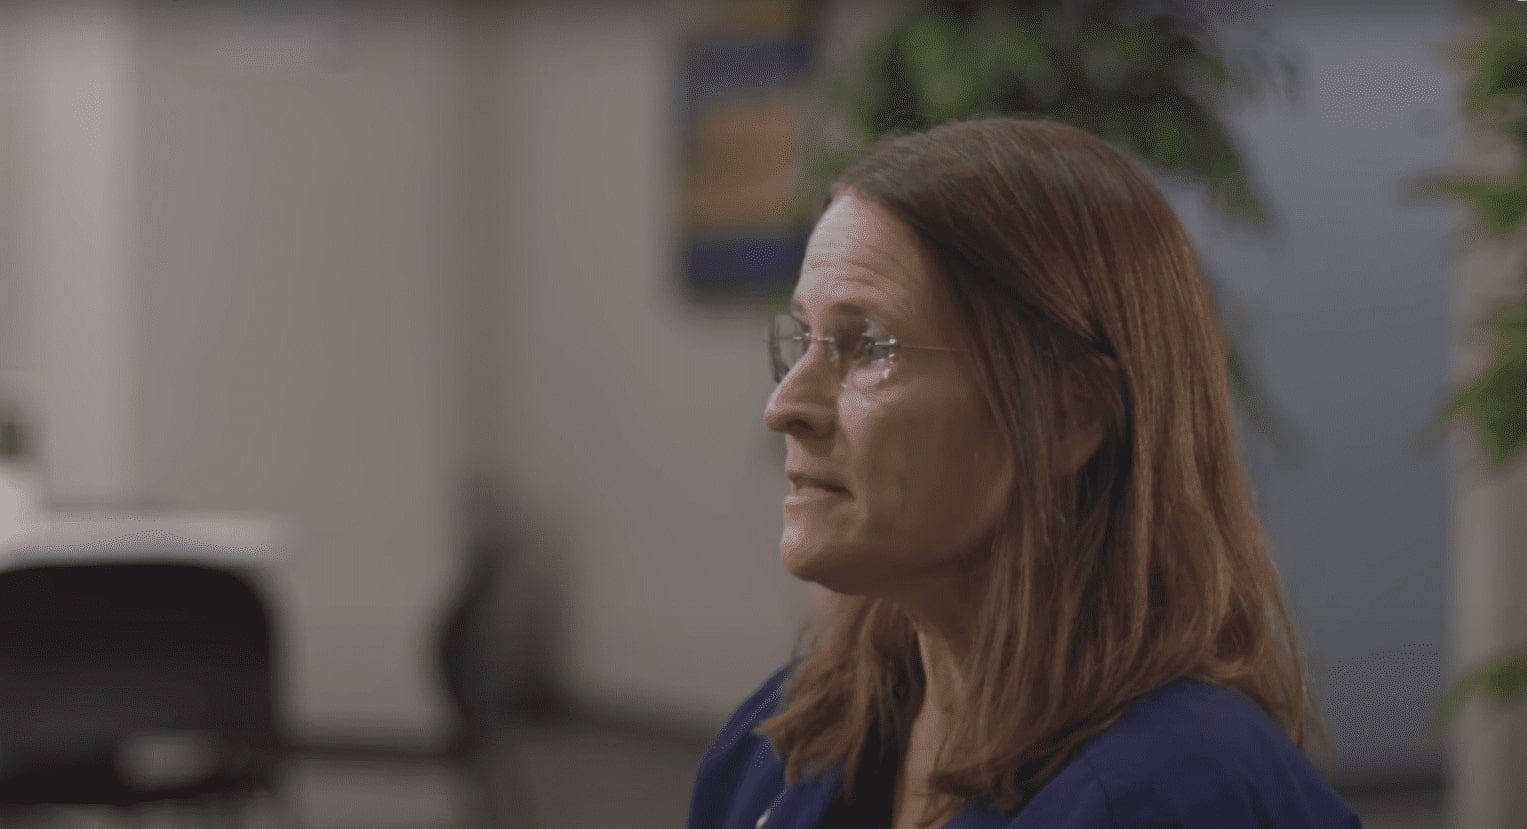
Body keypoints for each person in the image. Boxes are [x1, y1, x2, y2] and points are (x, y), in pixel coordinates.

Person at [687, 116, 1361, 829]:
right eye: (801, 339)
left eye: (868, 346)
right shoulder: (772, 744)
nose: (784, 406)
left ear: (1069, 417)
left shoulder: (1185, 795)